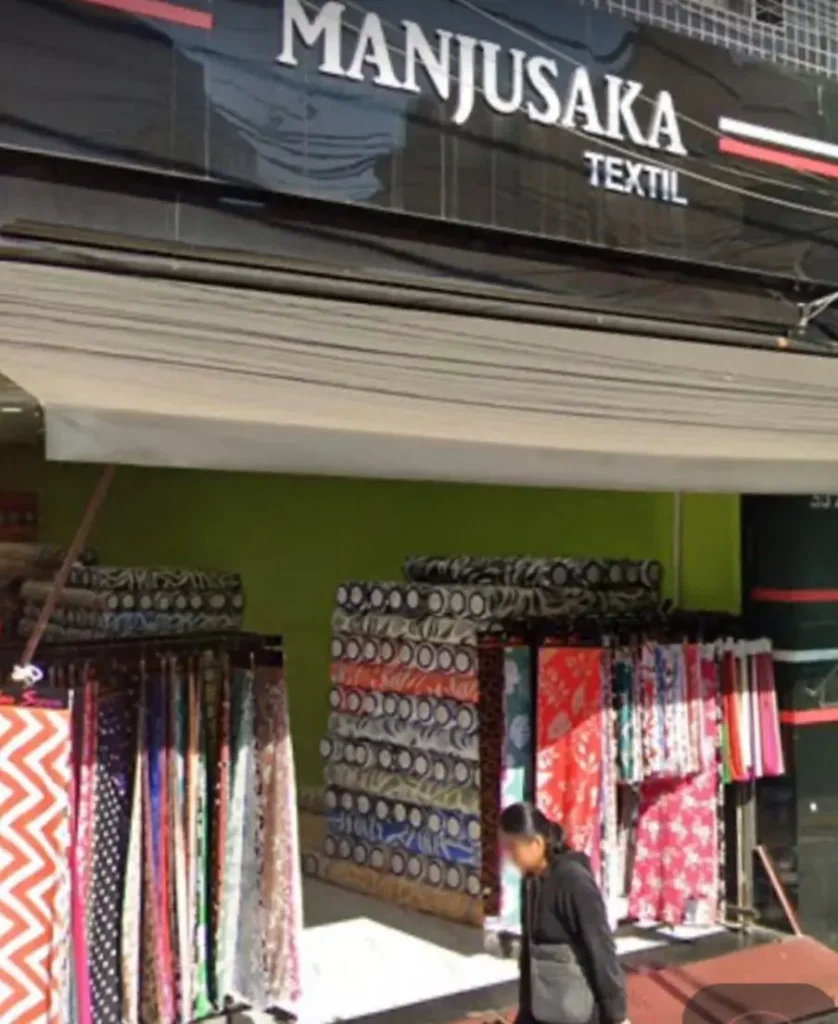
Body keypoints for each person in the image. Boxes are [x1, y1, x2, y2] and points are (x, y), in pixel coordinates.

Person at [499, 802, 628, 1024]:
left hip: (579, 1010)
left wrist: (617, 1014)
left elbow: (600, 947)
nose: (508, 856)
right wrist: (525, 1010)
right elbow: (529, 951)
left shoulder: (574, 881)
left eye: (512, 848)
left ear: (536, 843)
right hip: (543, 1006)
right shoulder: (530, 882)